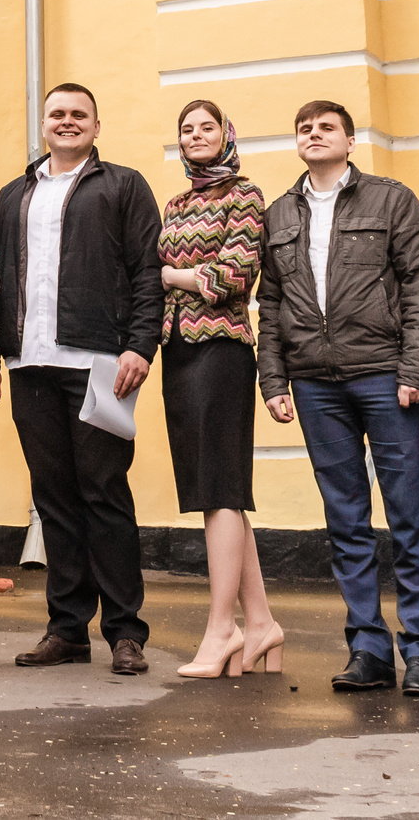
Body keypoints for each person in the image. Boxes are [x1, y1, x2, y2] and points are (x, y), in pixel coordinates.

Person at [0, 84, 165, 677]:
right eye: (57, 114)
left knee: (103, 494)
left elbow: (147, 271)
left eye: (78, 114)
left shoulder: (124, 185)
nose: (67, 122)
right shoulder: (15, 194)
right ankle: (66, 630)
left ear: (96, 126)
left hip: (100, 363)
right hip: (29, 364)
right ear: (44, 124)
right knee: (53, 500)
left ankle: (125, 633)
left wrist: (140, 344)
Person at [257, 99, 419, 697]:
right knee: (345, 520)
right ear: (297, 144)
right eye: (305, 129)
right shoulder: (279, 213)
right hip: (316, 384)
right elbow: (271, 304)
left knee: (411, 514)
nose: (314, 136)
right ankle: (367, 647)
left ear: (348, 139)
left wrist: (417, 368)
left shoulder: (390, 200)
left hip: (386, 377)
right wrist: (274, 380)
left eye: (326, 128)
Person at [157, 99, 284, 679]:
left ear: (226, 133)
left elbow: (233, 276)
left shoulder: (246, 194)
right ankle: (259, 623)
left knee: (221, 488)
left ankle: (220, 628)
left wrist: (177, 276)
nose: (196, 135)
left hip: (223, 349)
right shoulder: (177, 203)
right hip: (177, 350)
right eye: (188, 129)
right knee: (216, 489)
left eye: (207, 126)